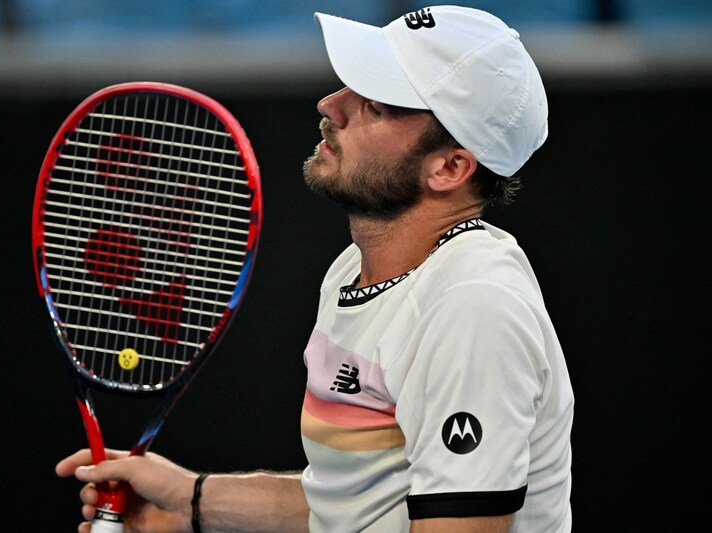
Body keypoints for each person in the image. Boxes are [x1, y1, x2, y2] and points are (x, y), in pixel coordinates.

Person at [56, 5, 574, 532]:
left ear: (449, 167)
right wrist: (189, 501)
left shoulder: (473, 309)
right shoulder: (357, 267)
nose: (331, 104)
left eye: (372, 104)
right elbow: (349, 506)